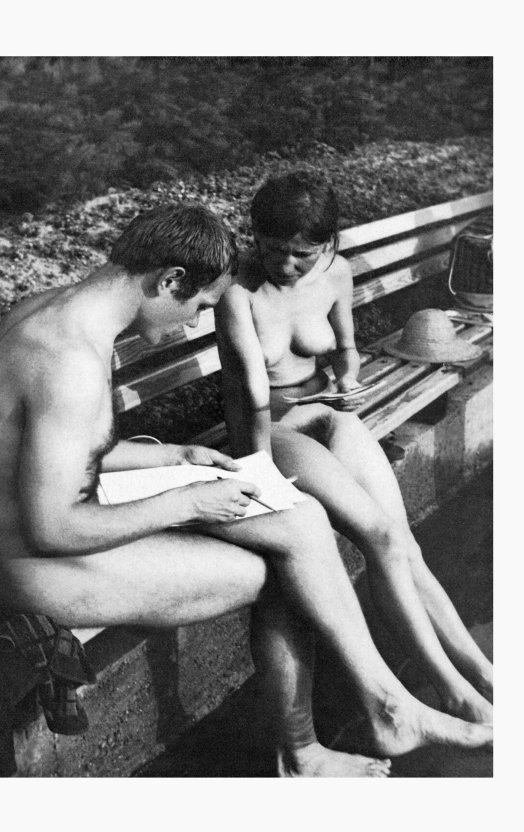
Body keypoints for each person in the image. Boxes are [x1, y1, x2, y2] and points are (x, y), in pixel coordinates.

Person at [0, 203, 492, 778]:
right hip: (27, 563)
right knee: (285, 571)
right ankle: (307, 752)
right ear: (169, 279)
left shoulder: (61, 314)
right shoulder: (67, 358)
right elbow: (53, 526)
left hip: (43, 524)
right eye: (198, 305)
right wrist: (186, 500)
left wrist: (175, 455)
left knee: (300, 522)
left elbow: (64, 450)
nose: (192, 322)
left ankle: (386, 706)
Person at [215, 172, 493, 725]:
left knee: (401, 542)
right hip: (274, 429)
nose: (286, 264)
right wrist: (260, 471)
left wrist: (348, 377)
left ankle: (480, 673)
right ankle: (451, 692)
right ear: (256, 238)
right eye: (273, 249)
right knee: (377, 536)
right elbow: (250, 390)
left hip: (330, 410)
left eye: (301, 253)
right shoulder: (237, 292)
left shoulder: (335, 272)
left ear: (327, 244)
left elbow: (345, 348)